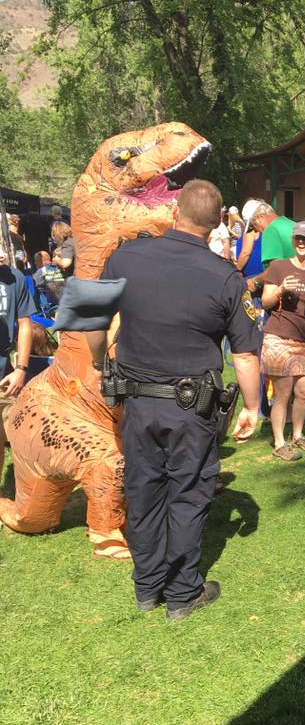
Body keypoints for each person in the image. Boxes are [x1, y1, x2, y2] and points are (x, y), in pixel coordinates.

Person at [89, 179, 262, 622]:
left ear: (173, 212)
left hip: (137, 401)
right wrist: (253, 407)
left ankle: (147, 589)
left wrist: (97, 363)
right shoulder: (226, 275)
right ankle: (182, 594)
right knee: (186, 493)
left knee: (143, 489)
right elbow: (244, 353)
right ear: (218, 222)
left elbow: (88, 321)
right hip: (193, 408)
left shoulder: (124, 255)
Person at [260, 221, 305, 461]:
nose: (301, 243)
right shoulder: (278, 267)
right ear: (293, 240)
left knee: (303, 391)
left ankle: (298, 435)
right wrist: (280, 289)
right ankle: (280, 442)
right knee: (283, 393)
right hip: (279, 336)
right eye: (298, 238)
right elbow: (266, 302)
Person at [0, 245, 35, 490]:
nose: (1, 253)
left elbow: (25, 324)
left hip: (5, 373)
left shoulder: (14, 277)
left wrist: (21, 368)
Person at [242, 199, 294, 264]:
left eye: (253, 225)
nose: (255, 230)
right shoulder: (292, 224)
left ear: (259, 217)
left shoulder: (269, 232)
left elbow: (274, 268)